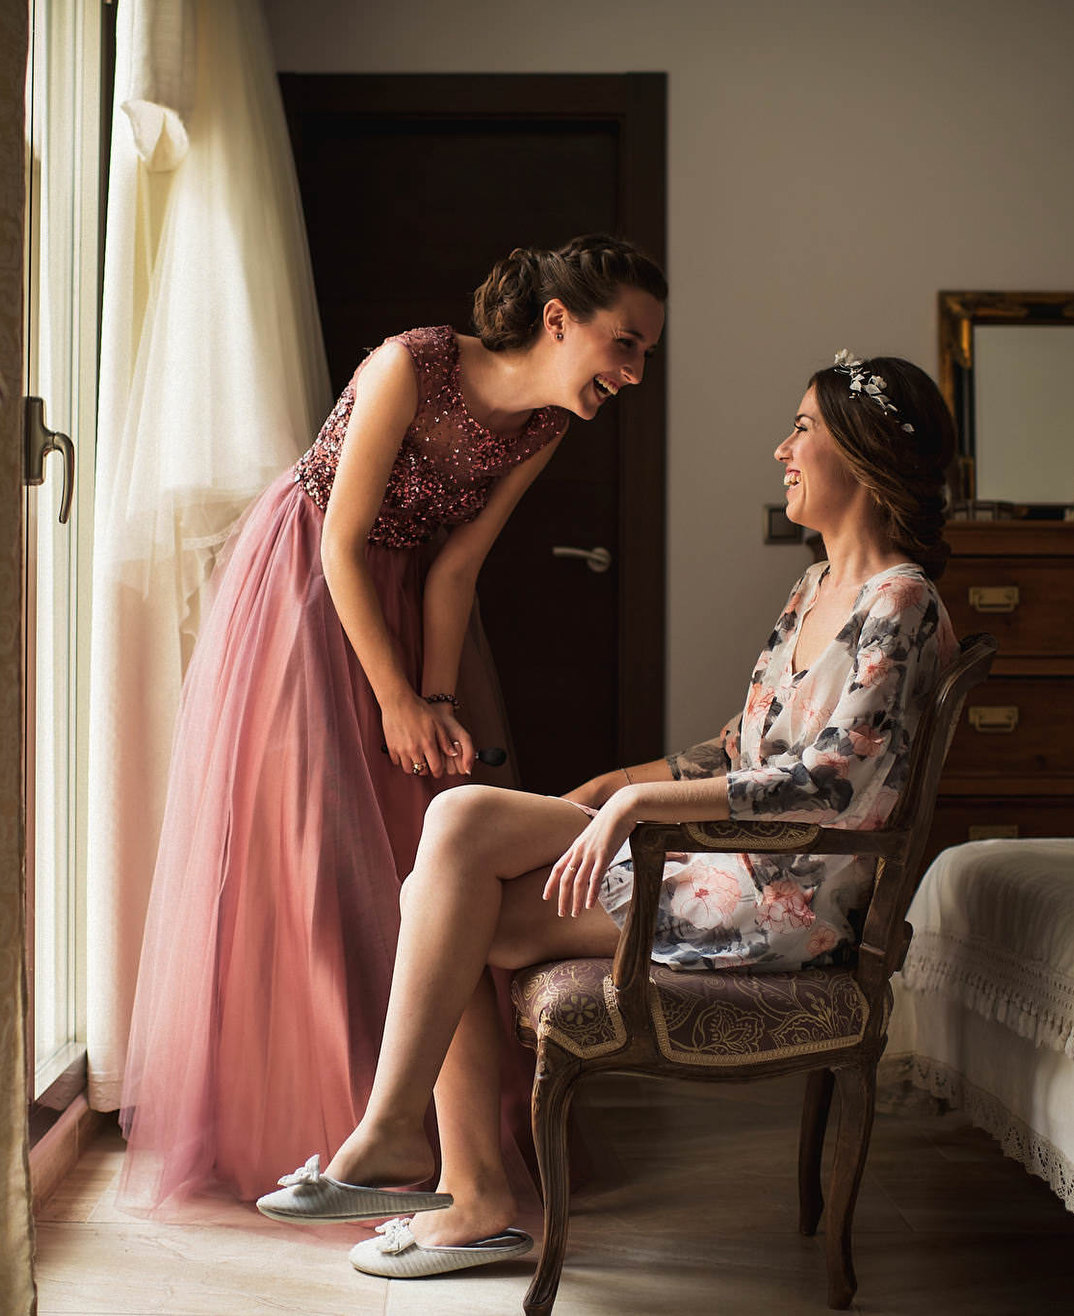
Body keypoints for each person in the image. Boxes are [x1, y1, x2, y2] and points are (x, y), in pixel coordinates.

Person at [255, 351, 960, 1278]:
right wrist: (605, 786)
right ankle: (418, 1156)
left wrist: (637, 803)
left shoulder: (900, 601)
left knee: (447, 908)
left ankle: (450, 1182)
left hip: (787, 896)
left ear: (864, 455)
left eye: (803, 430)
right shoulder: (815, 588)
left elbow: (828, 785)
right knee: (458, 832)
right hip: (727, 859)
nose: (781, 450)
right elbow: (738, 748)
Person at [118, 236, 670, 1213]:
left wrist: (438, 702)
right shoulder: (410, 364)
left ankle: (433, 1143)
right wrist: (394, 698)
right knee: (309, 843)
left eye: (644, 355)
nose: (631, 373)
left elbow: (456, 569)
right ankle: (305, 1117)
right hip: (303, 589)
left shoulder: (545, 423)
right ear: (557, 321)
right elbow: (337, 541)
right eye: (623, 344)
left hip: (409, 602)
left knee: (421, 841)